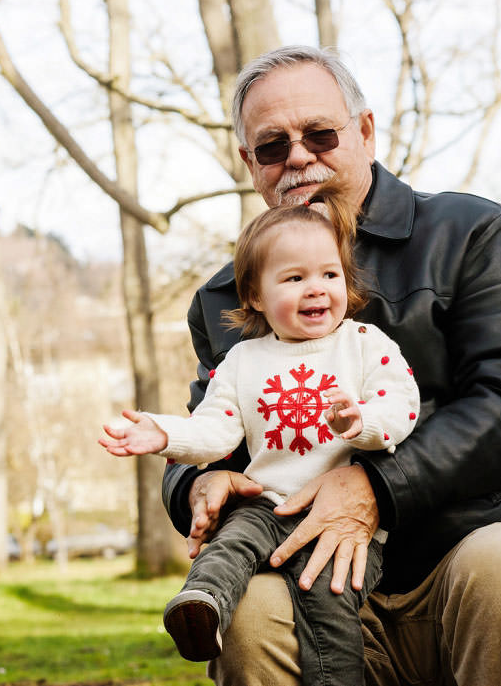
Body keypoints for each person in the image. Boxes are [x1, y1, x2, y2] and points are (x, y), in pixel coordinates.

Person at [161, 45, 501, 686]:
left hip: (475, 548)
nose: (297, 156)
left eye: (320, 134)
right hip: (309, 571)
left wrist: (376, 487)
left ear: (363, 131)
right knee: (246, 614)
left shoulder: (470, 233)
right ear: (250, 164)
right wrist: (195, 486)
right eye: (272, 146)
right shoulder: (227, 298)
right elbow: (214, 426)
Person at [103, 188, 419, 685]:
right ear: (255, 295)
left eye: (329, 274)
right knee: (228, 547)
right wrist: (162, 433)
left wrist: (364, 422)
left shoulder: (363, 344)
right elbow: (215, 430)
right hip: (266, 502)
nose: (316, 289)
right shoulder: (243, 361)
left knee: (329, 601)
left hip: (341, 518)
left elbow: (402, 402)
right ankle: (202, 611)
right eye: (294, 278)